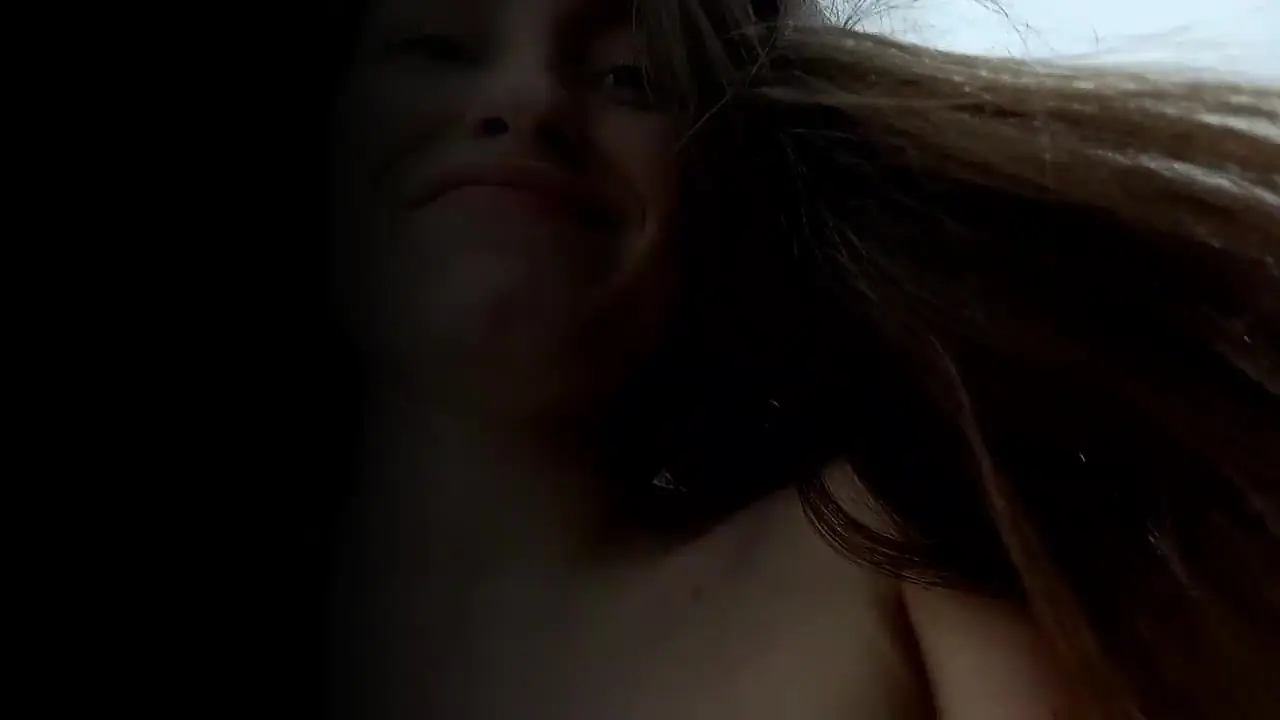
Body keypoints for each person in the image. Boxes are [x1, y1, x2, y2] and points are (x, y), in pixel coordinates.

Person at [326, 0, 1280, 717]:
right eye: (435, 47)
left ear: (724, 200)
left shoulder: (878, 561)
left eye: (630, 78)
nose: (527, 99)